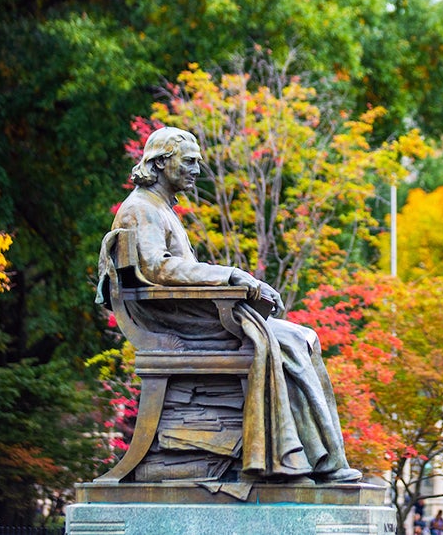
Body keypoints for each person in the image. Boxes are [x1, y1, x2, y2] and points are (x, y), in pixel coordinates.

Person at [101, 126, 361, 483]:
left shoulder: (159, 208)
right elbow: (159, 268)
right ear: (161, 162)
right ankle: (294, 461)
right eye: (189, 161)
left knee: (301, 336)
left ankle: (323, 461)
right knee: (283, 341)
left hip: (191, 318)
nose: (197, 170)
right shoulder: (140, 209)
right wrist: (232, 276)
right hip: (174, 326)